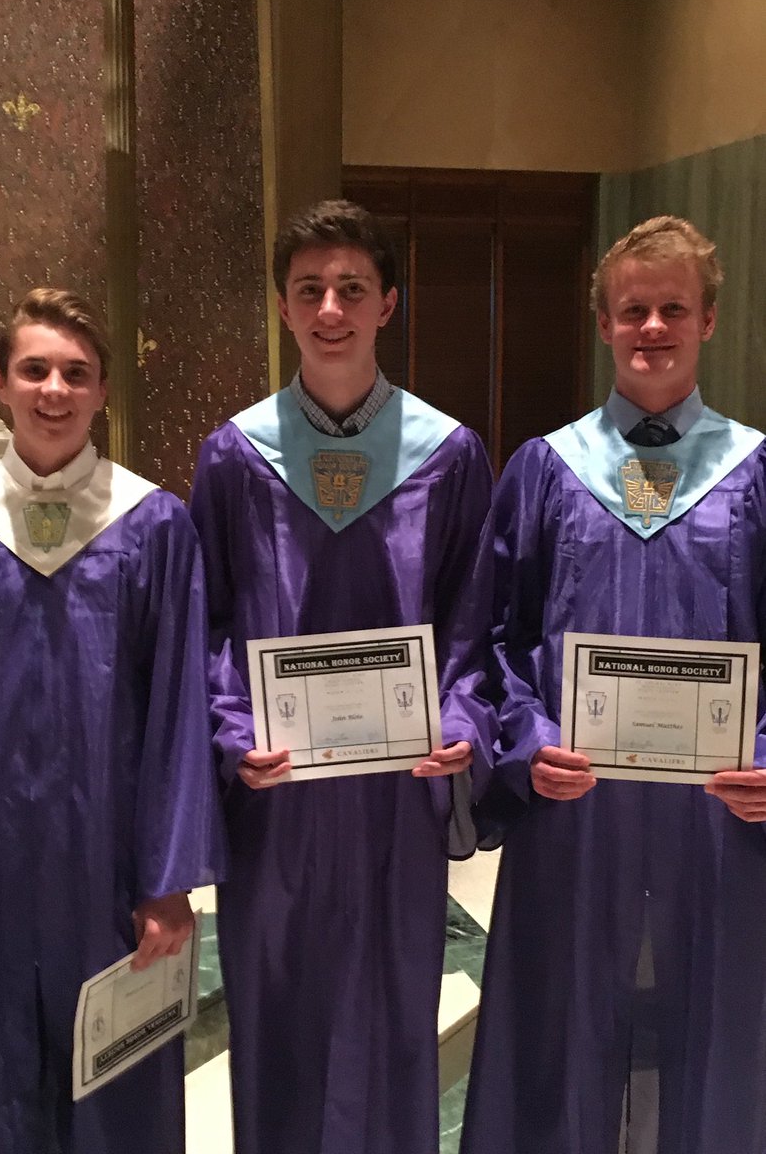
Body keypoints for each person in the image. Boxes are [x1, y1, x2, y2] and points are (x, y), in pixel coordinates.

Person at [0, 288, 226, 1154]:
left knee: (116, 1084)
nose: (53, 391)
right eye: (35, 371)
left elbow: (180, 709)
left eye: (76, 373)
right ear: (0, 383)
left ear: (104, 392)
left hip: (107, 870)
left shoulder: (154, 527)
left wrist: (168, 882)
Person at [190, 199, 496, 1154]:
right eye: (309, 289)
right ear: (283, 308)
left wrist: (461, 724)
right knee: (276, 1006)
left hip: (394, 800)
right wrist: (233, 736)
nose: (330, 307)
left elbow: (475, 625)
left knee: (392, 1007)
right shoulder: (236, 458)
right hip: (278, 798)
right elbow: (209, 629)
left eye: (351, 289)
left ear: (387, 305)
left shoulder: (447, 457)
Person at [460, 216, 766, 1154]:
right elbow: (494, 641)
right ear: (604, 324)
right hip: (576, 807)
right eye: (633, 309)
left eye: (674, 308)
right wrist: (525, 741)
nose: (652, 327)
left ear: (709, 320)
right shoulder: (546, 471)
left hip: (718, 815)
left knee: (716, 1024)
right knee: (563, 1018)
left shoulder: (756, 471)